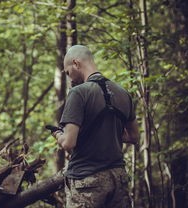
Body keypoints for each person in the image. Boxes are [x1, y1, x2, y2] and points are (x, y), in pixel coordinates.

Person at [52, 45, 139, 208]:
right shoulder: (123, 93)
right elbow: (134, 136)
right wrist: (106, 134)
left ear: (76, 64)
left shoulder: (79, 93)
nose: (69, 78)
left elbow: (68, 143)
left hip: (87, 181)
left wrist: (58, 134)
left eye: (68, 72)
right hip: (117, 179)